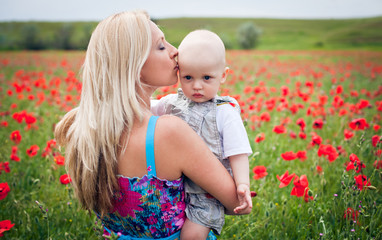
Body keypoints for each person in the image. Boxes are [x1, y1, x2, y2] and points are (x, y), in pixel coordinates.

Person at [54, 10, 251, 240]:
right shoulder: (168, 132)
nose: (175, 51)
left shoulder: (86, 131)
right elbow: (235, 202)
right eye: (160, 46)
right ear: (133, 63)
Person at [151, 30, 253, 239]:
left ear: (223, 75)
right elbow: (146, 109)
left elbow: (238, 152)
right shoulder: (172, 103)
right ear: (179, 73)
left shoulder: (225, 112)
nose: (197, 86)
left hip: (206, 195)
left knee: (191, 235)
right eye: (188, 77)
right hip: (175, 188)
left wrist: (243, 184)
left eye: (207, 78)